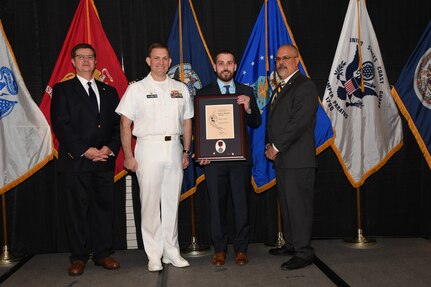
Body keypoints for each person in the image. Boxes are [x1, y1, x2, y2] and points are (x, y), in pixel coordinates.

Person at [115, 43, 192, 272]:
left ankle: (171, 251)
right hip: (147, 148)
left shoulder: (180, 88)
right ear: (148, 61)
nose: (161, 62)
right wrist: (128, 155)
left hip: (174, 148)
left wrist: (186, 151)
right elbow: (125, 123)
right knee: (149, 205)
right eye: (156, 58)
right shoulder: (136, 89)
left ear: (170, 62)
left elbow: (187, 120)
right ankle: (154, 254)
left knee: (171, 204)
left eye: (165, 58)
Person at [51, 43, 121, 276]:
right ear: (73, 62)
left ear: (95, 61)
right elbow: (61, 125)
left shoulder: (109, 92)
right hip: (76, 161)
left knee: (103, 209)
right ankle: (78, 257)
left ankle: (102, 254)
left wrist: (109, 149)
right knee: (76, 211)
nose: (85, 61)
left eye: (90, 57)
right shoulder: (62, 90)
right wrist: (85, 150)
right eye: (81, 57)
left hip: (104, 161)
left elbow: (116, 126)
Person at [197, 50, 261, 266]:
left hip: (240, 160)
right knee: (216, 206)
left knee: (241, 205)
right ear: (215, 67)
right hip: (213, 162)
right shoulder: (203, 93)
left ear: (235, 67)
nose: (225, 67)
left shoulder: (246, 91)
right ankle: (220, 250)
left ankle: (241, 249)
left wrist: (248, 107)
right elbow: (198, 128)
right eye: (221, 63)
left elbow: (256, 123)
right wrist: (201, 152)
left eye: (229, 63)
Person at [265, 44, 318, 270]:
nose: (280, 63)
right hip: (285, 159)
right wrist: (271, 144)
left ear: (297, 60)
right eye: (277, 59)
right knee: (287, 205)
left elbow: (299, 123)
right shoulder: (282, 86)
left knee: (299, 207)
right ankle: (291, 244)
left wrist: (275, 146)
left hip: (297, 159)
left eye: (286, 58)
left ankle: (304, 252)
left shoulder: (305, 86)